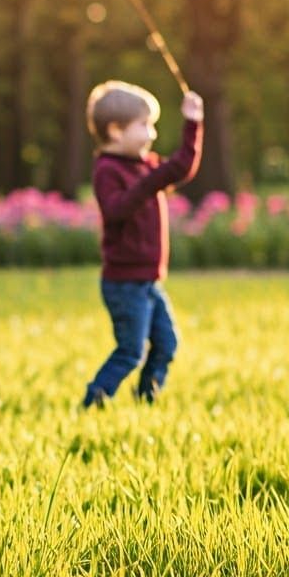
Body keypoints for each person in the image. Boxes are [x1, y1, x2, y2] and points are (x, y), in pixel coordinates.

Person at [81, 80, 204, 408]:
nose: (152, 134)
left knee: (166, 345)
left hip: (149, 280)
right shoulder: (108, 170)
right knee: (130, 351)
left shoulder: (144, 165)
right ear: (116, 131)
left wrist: (193, 122)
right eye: (145, 126)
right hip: (123, 284)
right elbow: (117, 209)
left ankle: (147, 399)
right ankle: (92, 404)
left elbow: (180, 168)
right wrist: (151, 182)